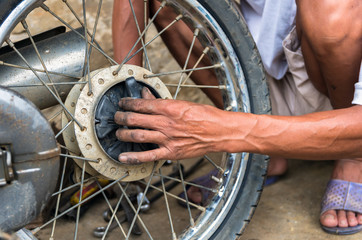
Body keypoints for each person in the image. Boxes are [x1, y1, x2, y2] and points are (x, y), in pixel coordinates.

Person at [112, 0, 362, 235]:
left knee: (330, 8)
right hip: (263, 83)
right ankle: (264, 153)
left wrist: (220, 131)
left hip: (345, 101)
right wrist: (124, 99)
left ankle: (352, 158)